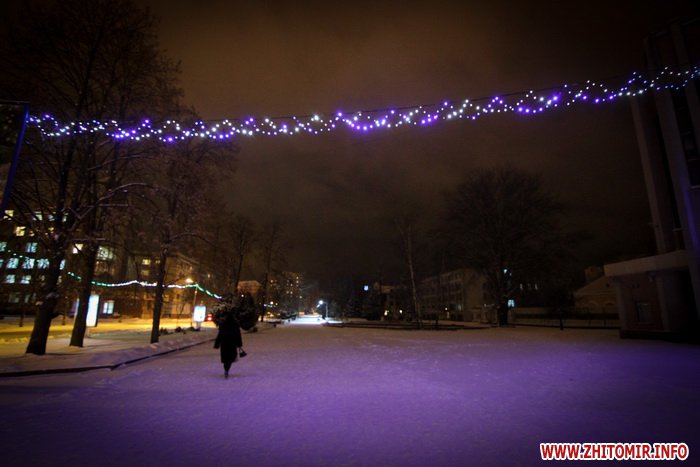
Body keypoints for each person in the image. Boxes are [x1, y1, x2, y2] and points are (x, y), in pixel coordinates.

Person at [214, 311, 243, 378]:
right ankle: (227, 369)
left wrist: (217, 344)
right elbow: (238, 335)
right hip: (232, 344)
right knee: (230, 358)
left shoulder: (223, 324)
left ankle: (226, 369)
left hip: (224, 344)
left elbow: (220, 335)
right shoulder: (235, 325)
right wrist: (239, 344)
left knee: (225, 358)